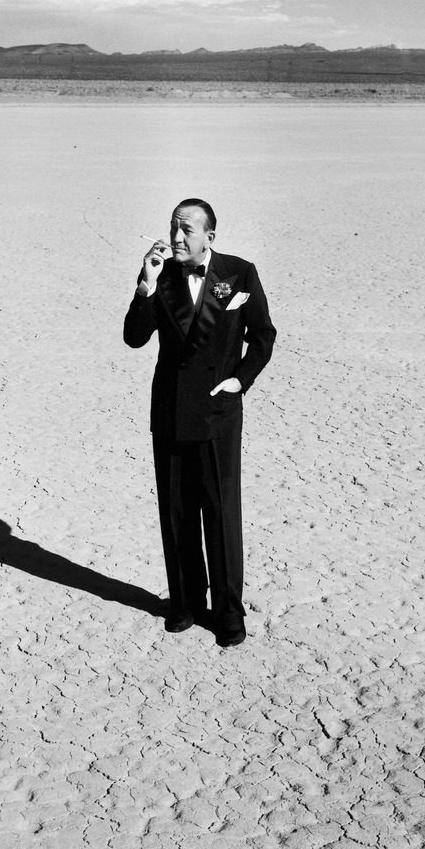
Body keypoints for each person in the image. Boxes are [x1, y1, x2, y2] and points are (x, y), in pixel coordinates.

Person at [124, 198, 276, 647]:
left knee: (222, 513)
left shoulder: (238, 273)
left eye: (186, 230)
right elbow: (134, 338)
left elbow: (263, 337)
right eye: (173, 228)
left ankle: (229, 612)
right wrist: (144, 287)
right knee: (177, 512)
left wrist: (239, 381)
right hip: (170, 410)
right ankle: (186, 601)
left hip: (217, 412)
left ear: (209, 236)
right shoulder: (163, 276)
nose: (176, 238)